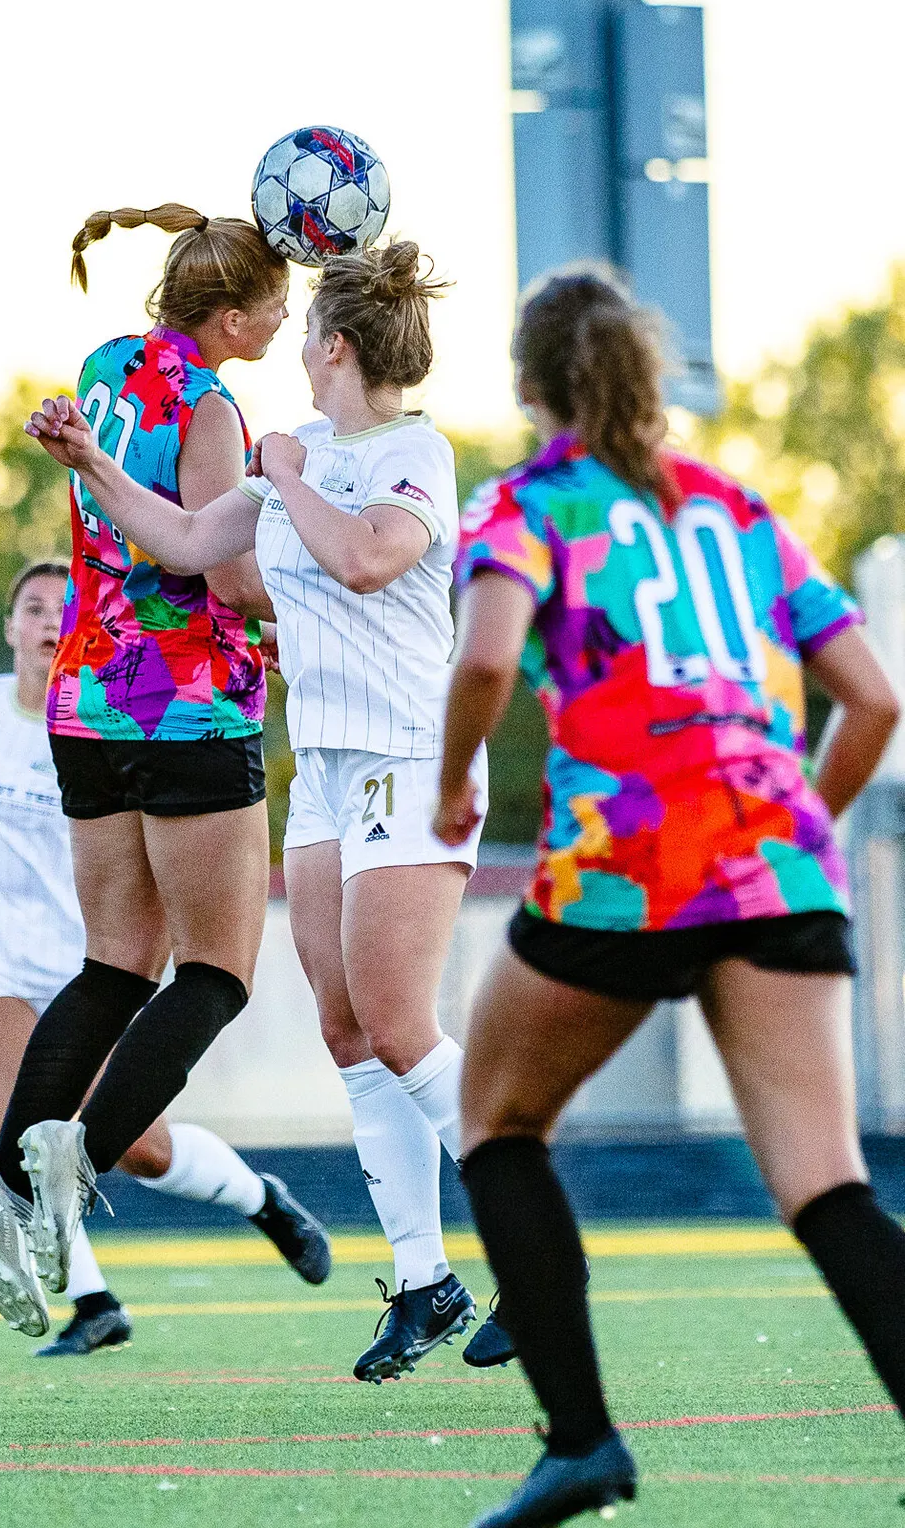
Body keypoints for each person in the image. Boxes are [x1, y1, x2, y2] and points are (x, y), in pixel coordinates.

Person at [433, 264, 903, 1528]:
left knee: (495, 1121)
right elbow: (872, 698)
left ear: (531, 387)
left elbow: (483, 653)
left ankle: (580, 1442)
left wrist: (449, 786)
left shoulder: (528, 503)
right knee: (824, 1182)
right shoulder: (737, 507)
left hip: (630, 865)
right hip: (772, 858)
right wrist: (798, 823)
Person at [29, 239, 490, 1383]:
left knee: (395, 1021)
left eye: (304, 328)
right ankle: (426, 1282)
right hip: (329, 766)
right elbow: (183, 542)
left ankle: (544, 1246)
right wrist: (90, 459)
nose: (289, 341)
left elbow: (373, 559)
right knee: (348, 1033)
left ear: (333, 345)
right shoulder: (307, 447)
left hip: (409, 756)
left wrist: (284, 475)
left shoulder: (406, 449)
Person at [0, 205, 297, 1339]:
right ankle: (71, 1166)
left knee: (111, 965)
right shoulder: (209, 402)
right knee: (217, 973)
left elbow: (110, 513)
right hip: (187, 700)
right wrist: (304, 616)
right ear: (230, 315)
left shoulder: (102, 364)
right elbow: (213, 563)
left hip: (87, 695)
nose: (287, 317)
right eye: (276, 304)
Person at [0, 558, 330, 1354]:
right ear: (10, 625)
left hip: (83, 960)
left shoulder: (108, 710)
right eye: (34, 606)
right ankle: (94, 1302)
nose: (51, 618)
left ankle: (260, 1197)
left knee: (138, 1148)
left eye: (67, 604)